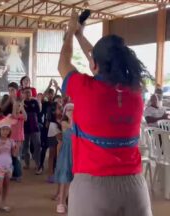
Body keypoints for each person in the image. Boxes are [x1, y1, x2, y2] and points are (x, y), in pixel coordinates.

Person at [58, 12, 151, 216]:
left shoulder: (84, 89)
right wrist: (81, 36)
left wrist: (71, 33)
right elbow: (103, 61)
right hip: (135, 187)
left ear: (93, 65)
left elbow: (63, 63)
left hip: (92, 186)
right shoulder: (136, 93)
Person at [0, 124, 17, 213]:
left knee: (6, 186)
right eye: (3, 129)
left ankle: (3, 204)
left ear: (9, 131)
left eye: (7, 129)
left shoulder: (11, 141)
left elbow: (14, 154)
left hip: (9, 166)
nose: (5, 131)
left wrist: (17, 148)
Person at [54, 103, 74, 214]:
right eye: (68, 110)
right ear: (65, 111)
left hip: (75, 152)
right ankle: (60, 202)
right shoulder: (64, 122)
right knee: (64, 178)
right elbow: (71, 127)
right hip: (66, 152)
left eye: (72, 110)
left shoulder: (77, 122)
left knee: (71, 179)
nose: (70, 111)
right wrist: (71, 117)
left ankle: (68, 201)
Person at [22, 88, 42, 174]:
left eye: (29, 92)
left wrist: (39, 101)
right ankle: (27, 163)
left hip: (35, 126)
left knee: (37, 145)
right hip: (24, 127)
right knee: (25, 146)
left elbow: (39, 112)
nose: (28, 94)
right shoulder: (21, 103)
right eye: (26, 93)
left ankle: (38, 164)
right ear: (23, 94)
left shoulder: (35, 102)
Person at [10, 99, 26, 181]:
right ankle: (15, 174)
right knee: (13, 156)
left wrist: (22, 108)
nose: (17, 107)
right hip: (11, 138)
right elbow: (13, 116)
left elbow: (25, 117)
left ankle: (18, 175)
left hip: (18, 138)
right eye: (15, 106)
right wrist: (15, 105)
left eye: (18, 106)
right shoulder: (11, 116)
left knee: (16, 156)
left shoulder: (20, 116)